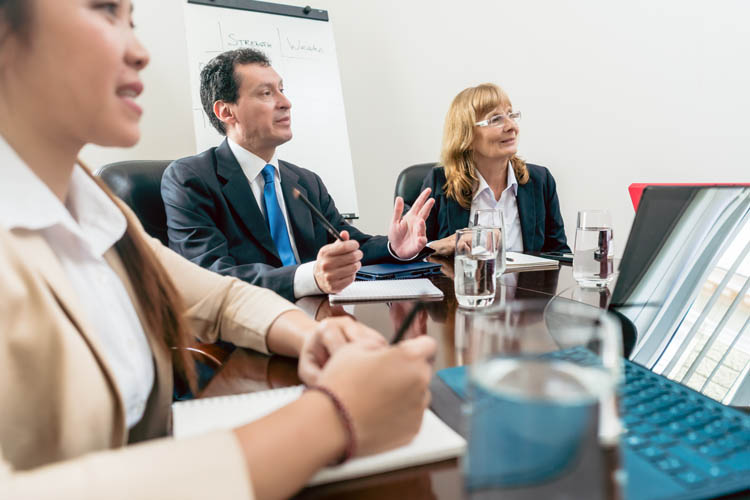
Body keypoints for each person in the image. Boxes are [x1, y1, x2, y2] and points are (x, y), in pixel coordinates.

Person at [0, 1, 436, 498]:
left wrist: (308, 337)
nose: (141, 52)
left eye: (132, 22)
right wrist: (332, 418)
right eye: (104, 13)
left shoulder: (92, 204)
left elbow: (218, 296)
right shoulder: (188, 177)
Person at [161, 48, 435, 302]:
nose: (286, 102)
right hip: (244, 333)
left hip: (319, 320)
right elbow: (209, 277)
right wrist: (309, 277)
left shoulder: (306, 181)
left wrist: (394, 247)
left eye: (281, 90)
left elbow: (347, 243)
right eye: (266, 93)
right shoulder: (190, 179)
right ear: (225, 111)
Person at [420, 83, 570, 255]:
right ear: (466, 136)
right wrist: (439, 245)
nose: (512, 127)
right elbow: (409, 251)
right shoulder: (440, 181)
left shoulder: (540, 180)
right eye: (496, 119)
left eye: (511, 115)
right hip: (461, 282)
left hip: (529, 283)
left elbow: (559, 254)